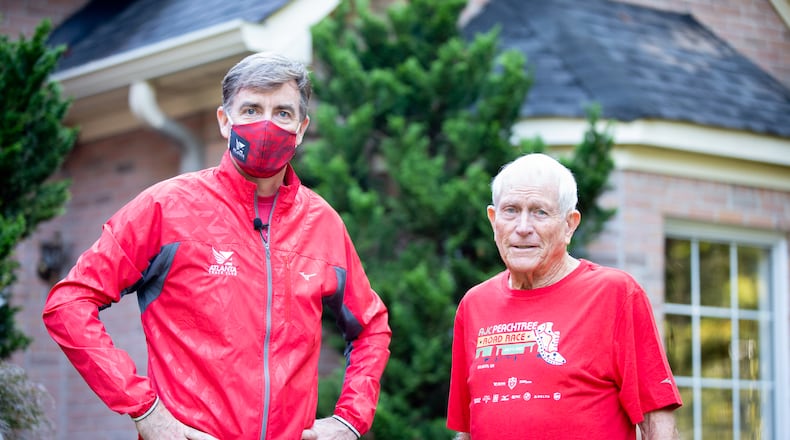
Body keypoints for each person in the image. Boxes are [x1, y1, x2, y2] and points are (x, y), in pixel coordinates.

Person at [43, 52, 391, 440]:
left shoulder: (322, 223)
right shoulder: (166, 209)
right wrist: (144, 409)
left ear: (302, 128)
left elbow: (371, 328)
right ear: (225, 122)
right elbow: (69, 304)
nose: (266, 124)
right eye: (251, 109)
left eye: (282, 114)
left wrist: (350, 421)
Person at [446, 153, 682, 439]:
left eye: (539, 212)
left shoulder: (615, 294)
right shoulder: (474, 305)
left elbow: (655, 414)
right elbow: (467, 429)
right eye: (510, 210)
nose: (522, 228)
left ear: (569, 225)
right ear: (493, 220)